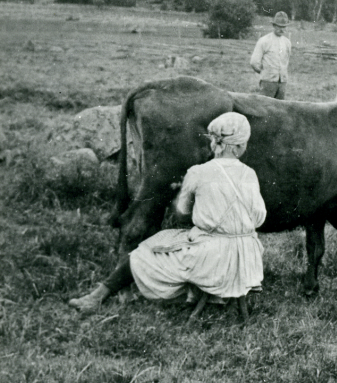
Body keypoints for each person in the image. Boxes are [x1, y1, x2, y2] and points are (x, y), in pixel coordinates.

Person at [69, 112, 266, 313]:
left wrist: (187, 195)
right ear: (241, 146)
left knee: (144, 251)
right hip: (247, 261)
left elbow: (182, 213)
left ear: (213, 142)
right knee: (185, 244)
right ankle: (201, 296)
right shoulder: (250, 175)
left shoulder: (198, 173)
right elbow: (259, 218)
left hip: (211, 260)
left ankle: (97, 297)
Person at [250, 11, 291, 99]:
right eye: (279, 26)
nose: (282, 29)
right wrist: (264, 72)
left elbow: (287, 60)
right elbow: (254, 62)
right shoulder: (264, 41)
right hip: (268, 82)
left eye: (284, 27)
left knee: (280, 108)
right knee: (264, 108)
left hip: (282, 83)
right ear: (274, 25)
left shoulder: (287, 42)